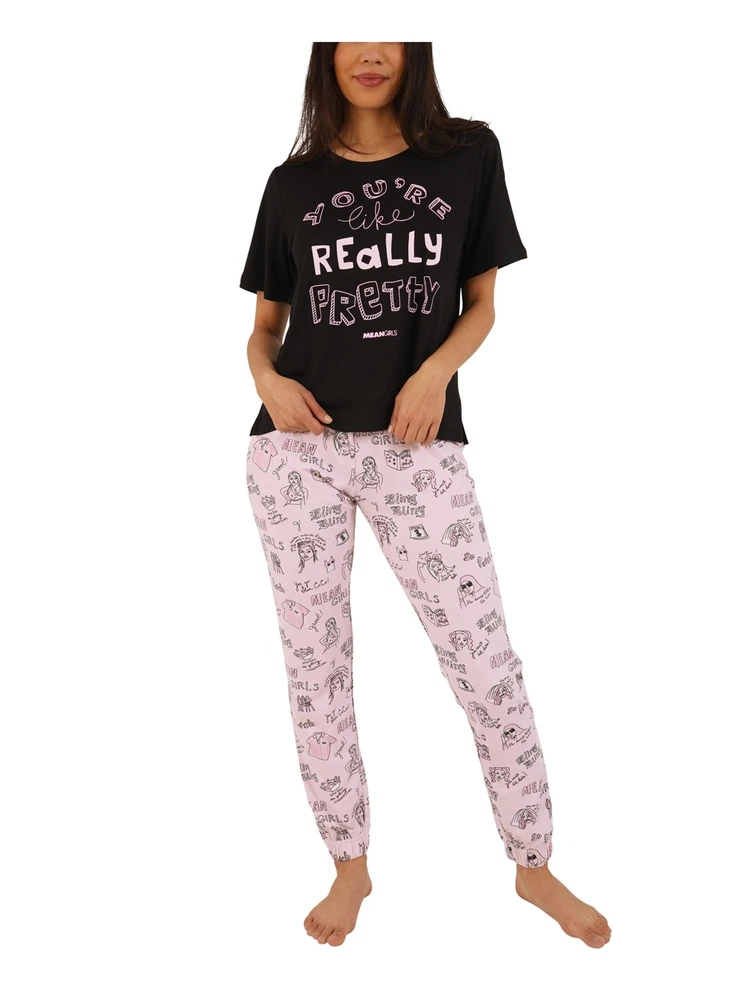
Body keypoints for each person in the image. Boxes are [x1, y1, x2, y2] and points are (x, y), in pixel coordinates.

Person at [240, 42, 611, 950]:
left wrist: (434, 372)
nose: (371, 51)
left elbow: (481, 303)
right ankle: (349, 865)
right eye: (351, 33)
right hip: (297, 450)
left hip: (417, 444)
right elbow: (264, 328)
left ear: (415, 48)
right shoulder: (291, 185)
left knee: (484, 661)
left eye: (391, 32)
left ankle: (533, 865)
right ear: (325, 52)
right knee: (317, 669)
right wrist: (268, 383)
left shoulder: (467, 155)